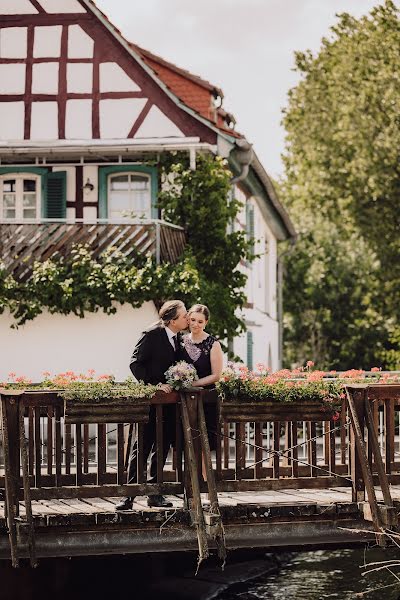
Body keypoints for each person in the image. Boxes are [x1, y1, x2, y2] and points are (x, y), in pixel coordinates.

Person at [115, 299, 188, 511]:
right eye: (184, 316)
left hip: (169, 406)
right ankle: (129, 496)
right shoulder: (152, 334)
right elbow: (135, 364)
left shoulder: (179, 338)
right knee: (141, 448)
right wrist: (155, 386)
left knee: (162, 447)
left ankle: (155, 495)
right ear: (172, 320)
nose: (186, 318)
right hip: (150, 402)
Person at [181, 304, 223, 452]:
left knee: (204, 445)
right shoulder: (180, 341)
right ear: (187, 319)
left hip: (206, 400)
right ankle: (189, 476)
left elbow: (216, 375)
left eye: (200, 321)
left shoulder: (213, 344)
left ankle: (205, 476)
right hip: (183, 401)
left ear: (206, 322)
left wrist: (193, 384)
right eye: (192, 320)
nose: (195, 324)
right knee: (185, 444)